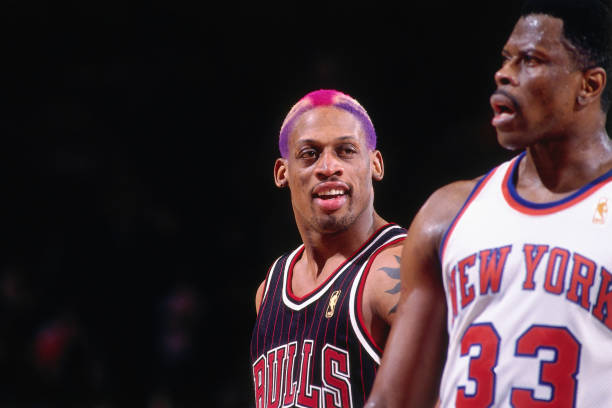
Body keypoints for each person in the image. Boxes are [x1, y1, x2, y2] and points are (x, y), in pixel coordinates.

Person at [365, 0, 612, 407]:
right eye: (506, 58)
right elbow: (394, 400)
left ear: (589, 85)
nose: (504, 74)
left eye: (530, 60)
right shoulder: (446, 214)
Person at [250, 89, 407, 408]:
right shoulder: (269, 289)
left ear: (375, 164)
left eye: (346, 151)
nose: (328, 167)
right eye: (310, 154)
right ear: (282, 172)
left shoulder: (395, 268)